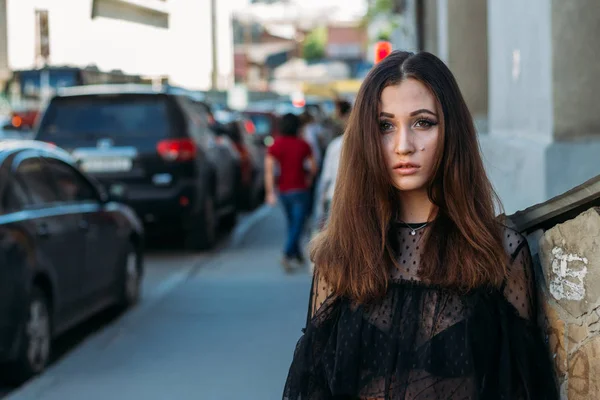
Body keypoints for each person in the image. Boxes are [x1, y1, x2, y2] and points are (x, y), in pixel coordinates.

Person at [283, 51, 558, 399]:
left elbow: (522, 390)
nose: (403, 146)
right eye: (385, 126)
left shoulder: (499, 253)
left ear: (451, 130)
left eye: (422, 122)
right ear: (366, 136)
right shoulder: (338, 257)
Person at [265, 113, 318, 271]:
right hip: (301, 189)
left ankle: (296, 253)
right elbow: (313, 167)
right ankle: (287, 254)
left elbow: (269, 170)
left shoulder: (275, 145)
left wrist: (270, 192)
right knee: (298, 224)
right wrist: (308, 179)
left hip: (283, 190)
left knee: (292, 223)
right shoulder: (303, 145)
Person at [314, 99, 352, 230]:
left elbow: (325, 178)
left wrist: (319, 210)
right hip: (354, 197)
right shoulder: (367, 145)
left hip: (335, 196)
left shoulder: (336, 145)